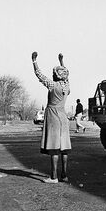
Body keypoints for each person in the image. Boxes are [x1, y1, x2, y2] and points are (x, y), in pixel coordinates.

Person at [32, 51, 71, 183]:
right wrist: (61, 62)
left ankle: (54, 177)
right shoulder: (67, 86)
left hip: (53, 116)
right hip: (63, 116)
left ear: (55, 75)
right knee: (64, 147)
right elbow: (66, 76)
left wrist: (34, 61)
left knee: (54, 147)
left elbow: (39, 74)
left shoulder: (52, 85)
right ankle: (64, 175)